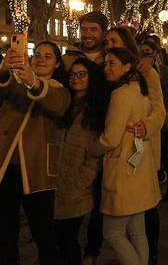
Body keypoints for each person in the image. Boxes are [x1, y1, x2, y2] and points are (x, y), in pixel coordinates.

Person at [0, 41, 71, 265]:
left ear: (57, 64)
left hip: (36, 172)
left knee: (44, 235)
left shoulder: (60, 90)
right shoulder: (16, 84)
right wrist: (3, 68)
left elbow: (56, 105)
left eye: (48, 57)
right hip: (2, 168)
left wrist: (33, 81)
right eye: (37, 54)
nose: (40, 59)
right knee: (6, 234)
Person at [93, 48, 162, 265]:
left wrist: (91, 148)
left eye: (112, 63)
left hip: (123, 167)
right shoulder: (138, 89)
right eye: (105, 63)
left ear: (127, 66)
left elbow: (110, 138)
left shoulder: (120, 94)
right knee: (137, 230)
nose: (107, 68)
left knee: (112, 232)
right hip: (139, 166)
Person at [55, 58, 108, 265]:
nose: (75, 78)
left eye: (81, 74)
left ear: (91, 78)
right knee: (57, 238)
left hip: (78, 187)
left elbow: (96, 154)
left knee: (68, 240)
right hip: (56, 181)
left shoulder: (96, 110)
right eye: (73, 74)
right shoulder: (63, 103)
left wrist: (80, 182)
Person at [140, 38, 168, 202]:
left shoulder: (163, 70)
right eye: (141, 52)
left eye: (147, 52)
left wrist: (160, 110)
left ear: (156, 53)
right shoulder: (140, 70)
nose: (144, 55)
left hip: (160, 121)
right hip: (143, 119)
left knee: (163, 152)